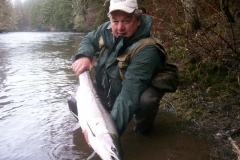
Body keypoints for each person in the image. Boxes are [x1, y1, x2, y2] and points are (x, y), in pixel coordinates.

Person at [69, 0, 170, 136]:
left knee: (147, 99)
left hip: (132, 91)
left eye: (126, 21)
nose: (120, 27)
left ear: (138, 20)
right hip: (110, 86)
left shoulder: (147, 50)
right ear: (110, 19)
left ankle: (142, 130)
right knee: (75, 101)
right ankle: (86, 127)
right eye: (115, 21)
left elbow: (129, 95)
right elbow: (89, 39)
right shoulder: (107, 29)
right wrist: (84, 56)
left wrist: (108, 135)